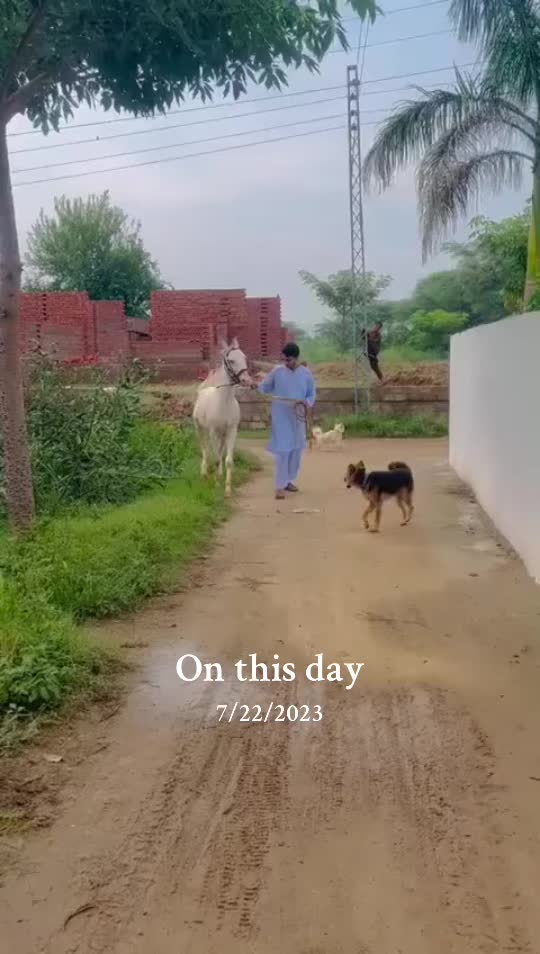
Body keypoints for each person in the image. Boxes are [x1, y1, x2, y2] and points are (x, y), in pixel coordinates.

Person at [255, 343, 316, 500]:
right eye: (284, 360)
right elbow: (266, 387)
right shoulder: (277, 371)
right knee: (283, 450)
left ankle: (289, 480)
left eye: (288, 360)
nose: (286, 363)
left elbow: (311, 394)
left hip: (298, 415)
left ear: (296, 358)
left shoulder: (306, 373)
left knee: (296, 450)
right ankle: (279, 486)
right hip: (281, 414)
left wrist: (306, 403)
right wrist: (255, 385)